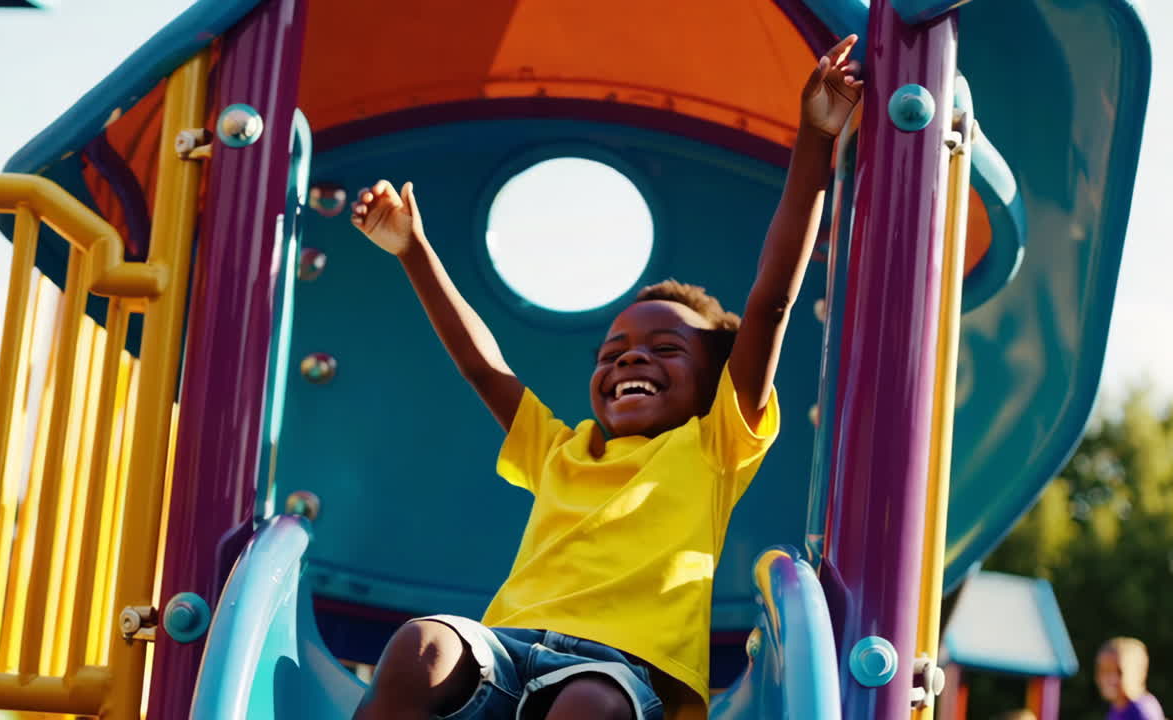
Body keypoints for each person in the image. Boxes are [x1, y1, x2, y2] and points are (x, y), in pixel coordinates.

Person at [347, 35, 863, 720]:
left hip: (622, 674)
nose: (629, 358)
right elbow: (481, 365)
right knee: (424, 646)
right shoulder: (559, 450)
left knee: (588, 703)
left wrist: (817, 136)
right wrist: (413, 249)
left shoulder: (712, 448)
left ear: (713, 384)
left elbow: (771, 300)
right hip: (506, 655)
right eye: (613, 351)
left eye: (665, 348)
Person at [1096, 637, 1166, 720]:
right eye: (1104, 671)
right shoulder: (1117, 708)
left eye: (1119, 672)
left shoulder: (1141, 710)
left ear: (1138, 672)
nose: (1111, 679)